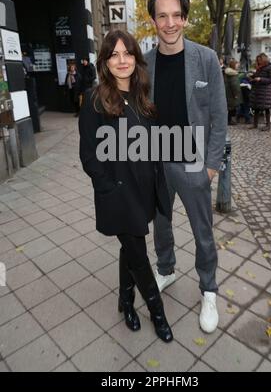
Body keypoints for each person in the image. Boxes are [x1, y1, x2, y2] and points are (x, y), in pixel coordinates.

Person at [79, 30, 173, 343]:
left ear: (136, 58)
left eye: (128, 53)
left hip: (143, 190)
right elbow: (89, 156)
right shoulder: (95, 100)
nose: (122, 61)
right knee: (138, 253)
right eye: (114, 54)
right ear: (105, 62)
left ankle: (124, 301)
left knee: (130, 246)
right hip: (120, 194)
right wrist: (108, 188)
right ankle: (156, 312)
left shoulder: (141, 94)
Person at [144, 0, 227, 333]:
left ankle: (208, 288)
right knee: (160, 225)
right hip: (156, 161)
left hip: (194, 162)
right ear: (153, 20)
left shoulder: (205, 59)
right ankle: (166, 269)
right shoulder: (144, 63)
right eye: (162, 16)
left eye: (176, 15)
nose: (170, 23)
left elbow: (220, 118)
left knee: (202, 232)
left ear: (185, 18)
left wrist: (211, 167)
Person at [249, 53, 271, 131]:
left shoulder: (270, 67)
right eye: (257, 60)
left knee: (266, 108)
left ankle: (268, 125)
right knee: (256, 107)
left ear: (264, 59)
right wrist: (252, 76)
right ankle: (255, 124)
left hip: (265, 91)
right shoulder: (259, 67)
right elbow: (257, 76)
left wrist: (260, 79)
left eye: (260, 60)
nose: (258, 61)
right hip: (257, 90)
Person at [224, 59, 242, 125]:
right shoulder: (233, 74)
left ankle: (229, 120)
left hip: (228, 92)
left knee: (229, 107)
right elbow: (234, 85)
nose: (238, 65)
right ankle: (230, 120)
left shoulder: (228, 73)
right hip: (232, 93)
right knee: (232, 107)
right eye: (237, 64)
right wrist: (236, 94)